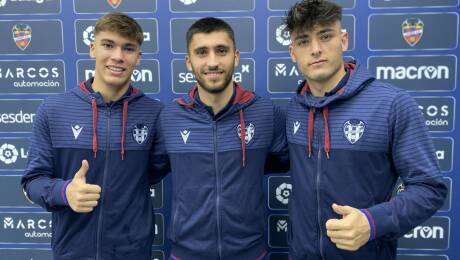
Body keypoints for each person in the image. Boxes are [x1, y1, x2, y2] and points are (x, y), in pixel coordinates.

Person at [283, 1, 447, 259]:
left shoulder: (392, 104)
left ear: (343, 40)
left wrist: (373, 223)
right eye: (303, 41)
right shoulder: (295, 108)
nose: (315, 49)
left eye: (325, 36)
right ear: (293, 52)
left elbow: (430, 188)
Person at [21, 12, 169, 260]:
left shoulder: (155, 114)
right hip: (72, 252)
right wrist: (64, 191)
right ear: (92, 49)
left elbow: (152, 172)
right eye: (108, 45)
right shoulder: (54, 109)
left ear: (138, 57)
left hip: (132, 252)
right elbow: (32, 181)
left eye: (128, 48)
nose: (118, 57)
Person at [159, 17, 289, 259]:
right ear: (188, 62)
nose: (212, 62)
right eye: (201, 52)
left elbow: (283, 162)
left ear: (236, 56)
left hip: (250, 252)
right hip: (186, 253)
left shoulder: (266, 113)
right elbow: (148, 171)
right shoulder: (170, 117)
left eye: (221, 51)